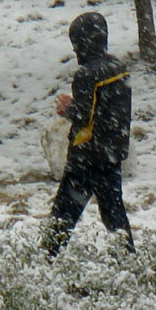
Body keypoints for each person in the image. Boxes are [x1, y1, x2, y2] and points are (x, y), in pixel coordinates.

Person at [43, 13, 134, 257]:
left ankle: (46, 261)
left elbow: (84, 116)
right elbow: (104, 110)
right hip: (112, 153)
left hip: (86, 156)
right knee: (114, 214)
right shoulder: (118, 68)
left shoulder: (86, 75)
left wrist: (66, 107)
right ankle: (130, 260)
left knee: (64, 213)